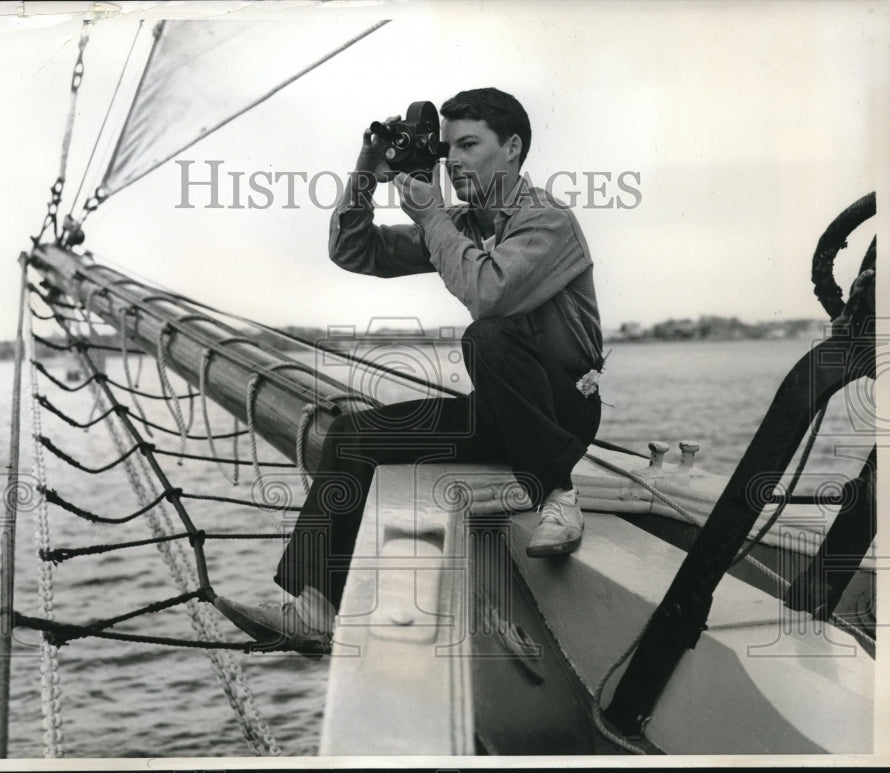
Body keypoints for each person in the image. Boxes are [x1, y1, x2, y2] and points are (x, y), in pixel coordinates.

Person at [213, 87, 604, 651]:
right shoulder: (462, 224)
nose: (454, 161)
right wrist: (367, 173)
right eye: (447, 149)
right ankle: (316, 611)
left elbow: (487, 294)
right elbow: (356, 252)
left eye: (469, 145)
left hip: (563, 409)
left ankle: (557, 496)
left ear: (513, 147)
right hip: (502, 411)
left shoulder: (547, 221)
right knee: (349, 437)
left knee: (487, 336)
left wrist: (430, 217)